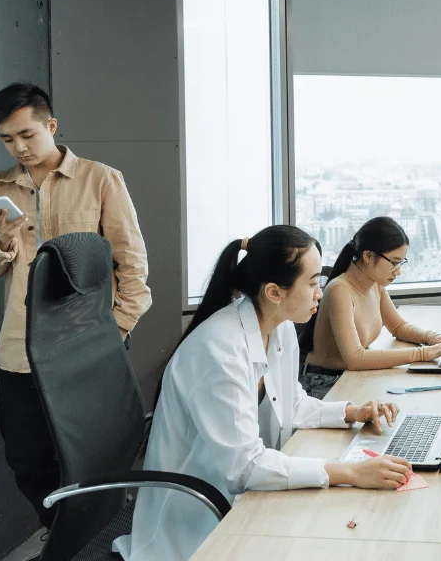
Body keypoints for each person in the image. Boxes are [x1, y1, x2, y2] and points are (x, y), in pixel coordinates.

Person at [113, 226, 411, 561]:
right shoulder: (220, 350)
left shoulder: (278, 327)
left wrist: (351, 412)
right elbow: (244, 467)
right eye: (312, 282)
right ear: (274, 292)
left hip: (244, 499)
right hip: (196, 523)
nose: (320, 293)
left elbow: (291, 403)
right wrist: (349, 472)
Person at [0, 83, 151, 527]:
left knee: (96, 458)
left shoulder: (100, 179)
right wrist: (1, 242)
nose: (19, 147)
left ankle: (99, 542)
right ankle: (70, 539)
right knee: (27, 459)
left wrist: (114, 332)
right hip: (19, 349)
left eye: (27, 134)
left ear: (51, 125)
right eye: (7, 139)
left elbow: (133, 269)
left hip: (89, 347)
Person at [300, 216, 441, 399]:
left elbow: (398, 327)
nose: (398, 271)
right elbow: (355, 359)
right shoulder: (340, 290)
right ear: (367, 256)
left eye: (401, 263)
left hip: (350, 377)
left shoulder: (374, 283)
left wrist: (435, 339)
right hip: (324, 384)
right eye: (394, 262)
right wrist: (423, 353)